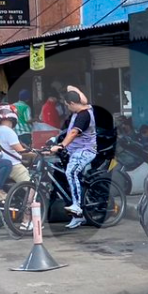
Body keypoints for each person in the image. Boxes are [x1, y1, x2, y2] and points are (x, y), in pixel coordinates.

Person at [51, 90, 98, 229]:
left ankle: (77, 206)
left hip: (85, 151)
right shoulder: (80, 110)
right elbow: (73, 90)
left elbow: (73, 133)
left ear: (72, 103)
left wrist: (61, 145)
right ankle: (78, 217)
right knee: (61, 177)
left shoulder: (83, 115)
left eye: (67, 105)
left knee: (71, 172)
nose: (67, 108)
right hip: (74, 151)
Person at [0, 106, 32, 187]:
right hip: (14, 165)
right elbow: (21, 151)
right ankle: (31, 200)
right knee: (31, 186)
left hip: (2, 162)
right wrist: (38, 154)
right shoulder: (8, 131)